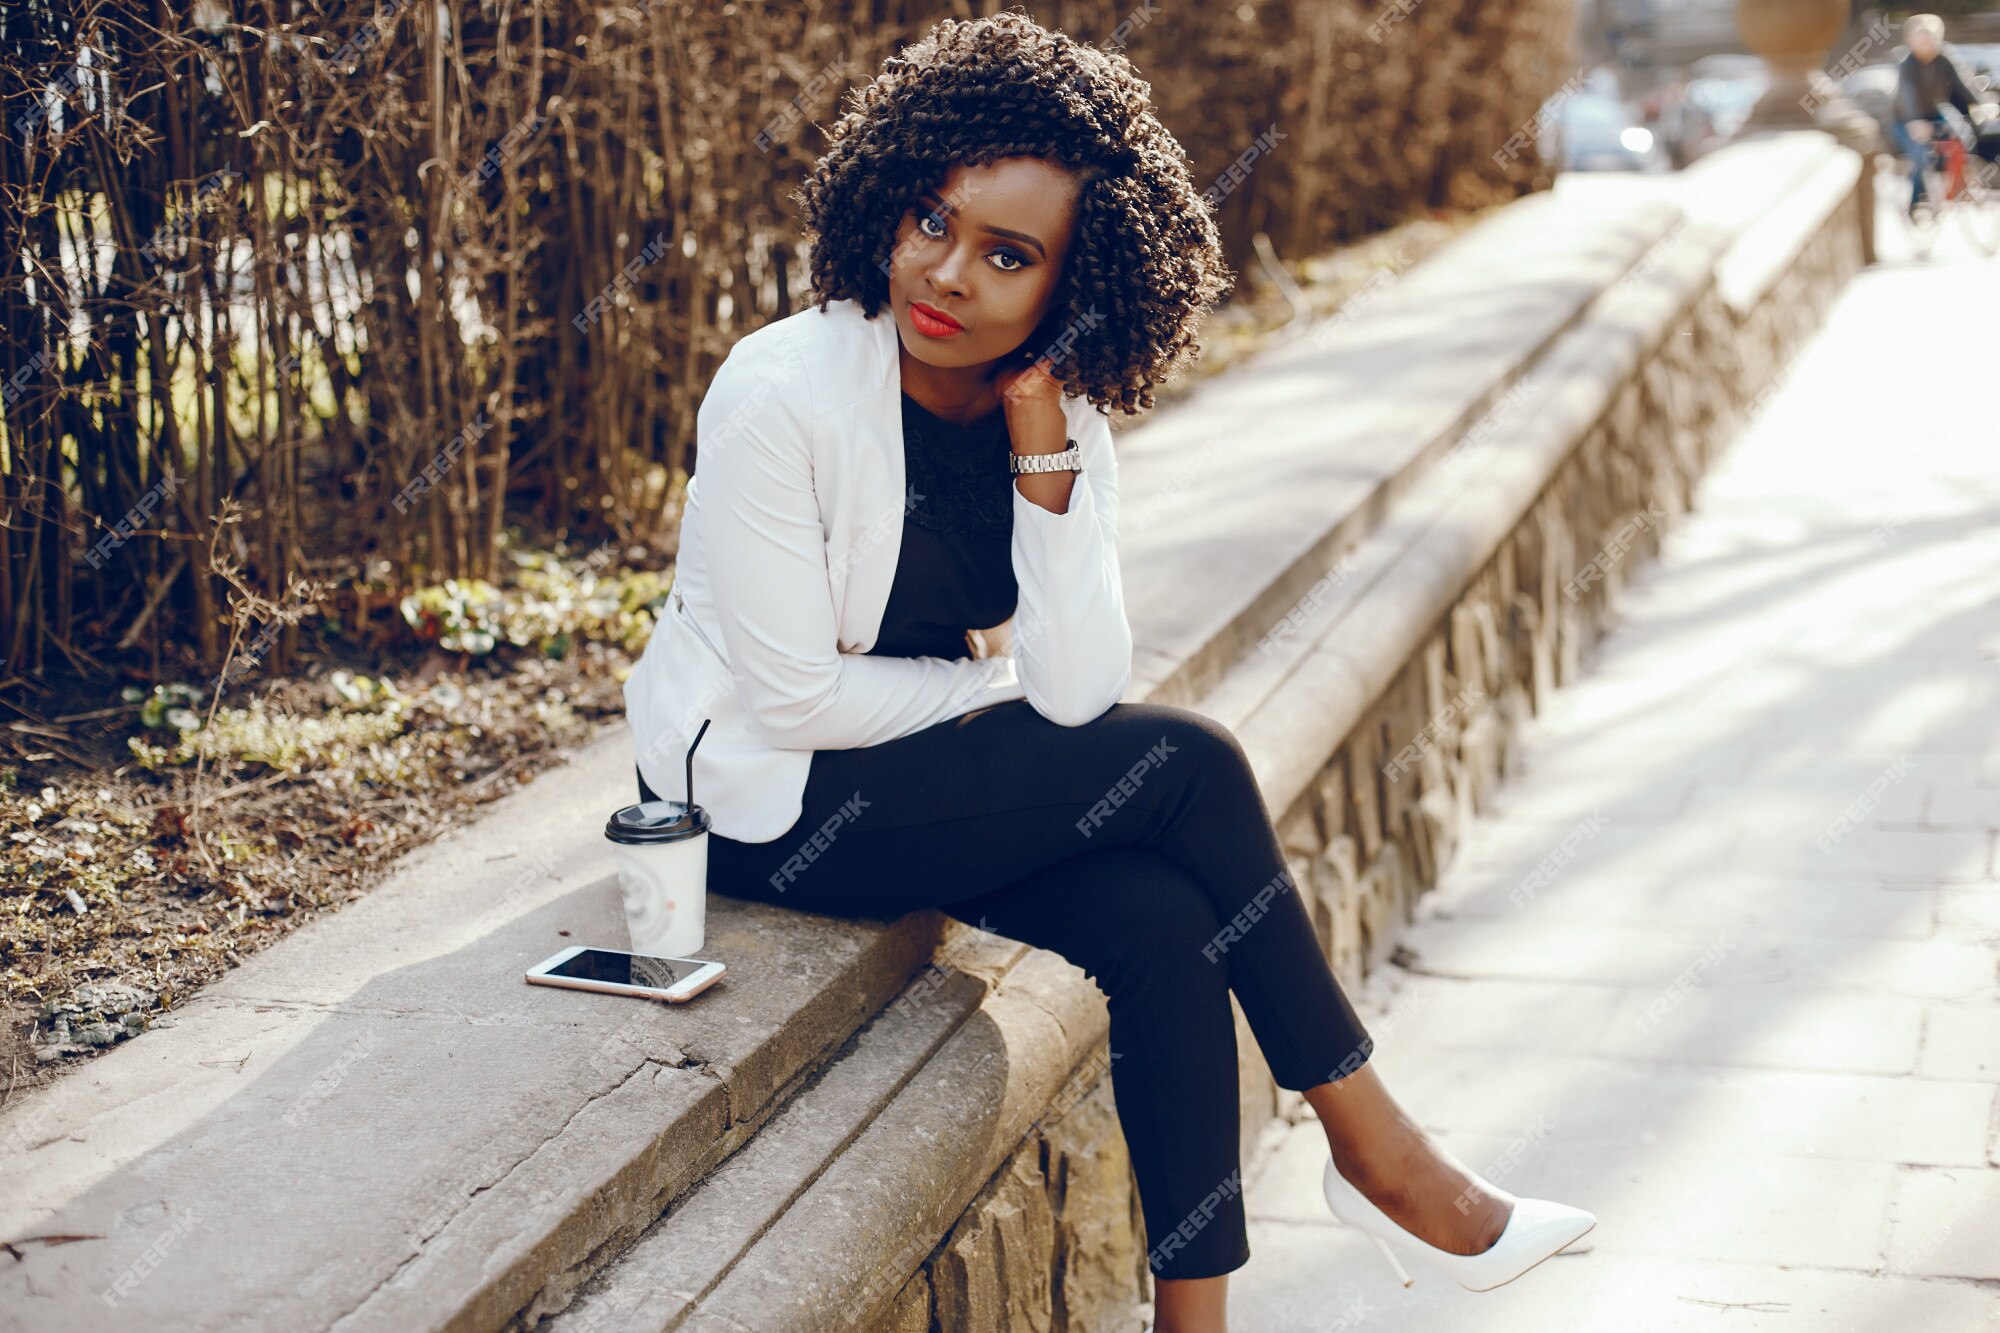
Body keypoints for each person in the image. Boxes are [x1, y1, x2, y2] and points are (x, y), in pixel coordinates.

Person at [621, 12, 1594, 1330]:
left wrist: (1043, 455)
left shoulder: (1058, 408)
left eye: (1006, 253)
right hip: (766, 803)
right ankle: (1379, 1152)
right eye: (932, 217)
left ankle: (1198, 1319)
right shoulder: (779, 390)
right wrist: (992, 695)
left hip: (903, 771)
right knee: (1187, 762)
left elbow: (1078, 687)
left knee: (1164, 924)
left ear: (1074, 284)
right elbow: (795, 699)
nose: (945, 271)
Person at [1891, 13, 2000, 216]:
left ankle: (1958, 187)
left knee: (1962, 138)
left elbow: (1962, 86)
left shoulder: (1944, 59)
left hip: (1935, 115)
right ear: (1911, 41)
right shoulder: (1906, 65)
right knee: (1920, 155)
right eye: (1922, 39)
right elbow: (1908, 96)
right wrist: (1915, 121)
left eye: (1932, 38)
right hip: (1906, 119)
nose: (1928, 44)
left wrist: (1981, 105)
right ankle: (1918, 202)